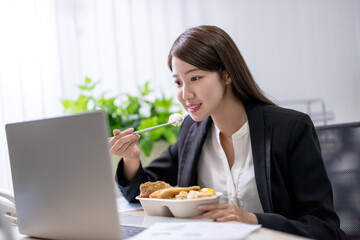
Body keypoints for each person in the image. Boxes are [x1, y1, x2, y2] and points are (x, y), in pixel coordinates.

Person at [109, 25, 346, 239]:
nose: (186, 94)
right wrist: (131, 158)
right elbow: (146, 194)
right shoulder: (193, 131)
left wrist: (252, 219)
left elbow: (325, 228)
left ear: (227, 74)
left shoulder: (291, 129)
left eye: (195, 78)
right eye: (178, 83)